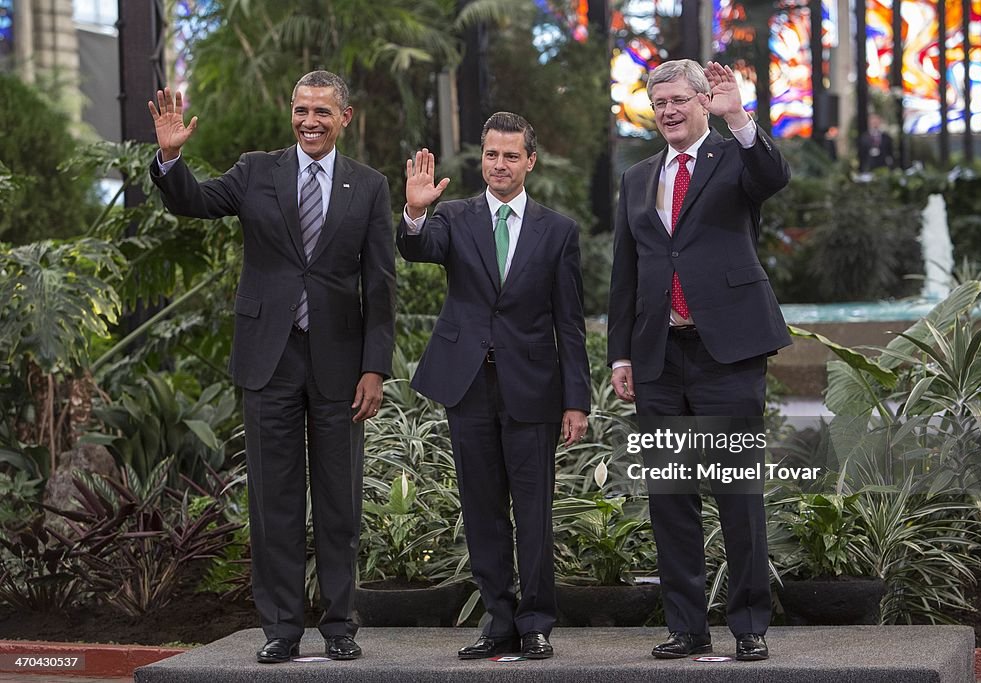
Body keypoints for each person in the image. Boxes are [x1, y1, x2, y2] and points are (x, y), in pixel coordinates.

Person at [147, 71, 395, 664]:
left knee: (339, 503)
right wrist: (169, 156)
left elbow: (380, 286)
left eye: (322, 113)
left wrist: (375, 369)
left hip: (341, 366)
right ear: (292, 112)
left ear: (346, 117)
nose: (310, 121)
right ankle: (281, 629)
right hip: (269, 360)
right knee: (273, 502)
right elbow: (194, 202)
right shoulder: (256, 170)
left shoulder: (369, 186)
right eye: (301, 110)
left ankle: (339, 625)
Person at [607, 59, 791, 662]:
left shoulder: (734, 155)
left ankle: (749, 626)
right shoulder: (637, 178)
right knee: (670, 497)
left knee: (737, 494)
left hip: (728, 351)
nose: (668, 111)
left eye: (680, 100)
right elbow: (625, 275)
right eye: (658, 103)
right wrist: (620, 357)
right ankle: (687, 627)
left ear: (703, 102)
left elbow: (772, 174)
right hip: (659, 355)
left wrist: (738, 114)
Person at [397, 112, 590, 660]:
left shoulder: (558, 231)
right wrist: (414, 210)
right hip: (468, 387)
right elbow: (417, 248)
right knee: (481, 507)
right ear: (481, 158)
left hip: (533, 388)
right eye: (490, 154)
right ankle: (498, 619)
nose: (499, 165)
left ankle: (535, 622)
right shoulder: (453, 216)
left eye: (510, 156)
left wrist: (576, 401)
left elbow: (569, 324)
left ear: (530, 161)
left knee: (533, 510)